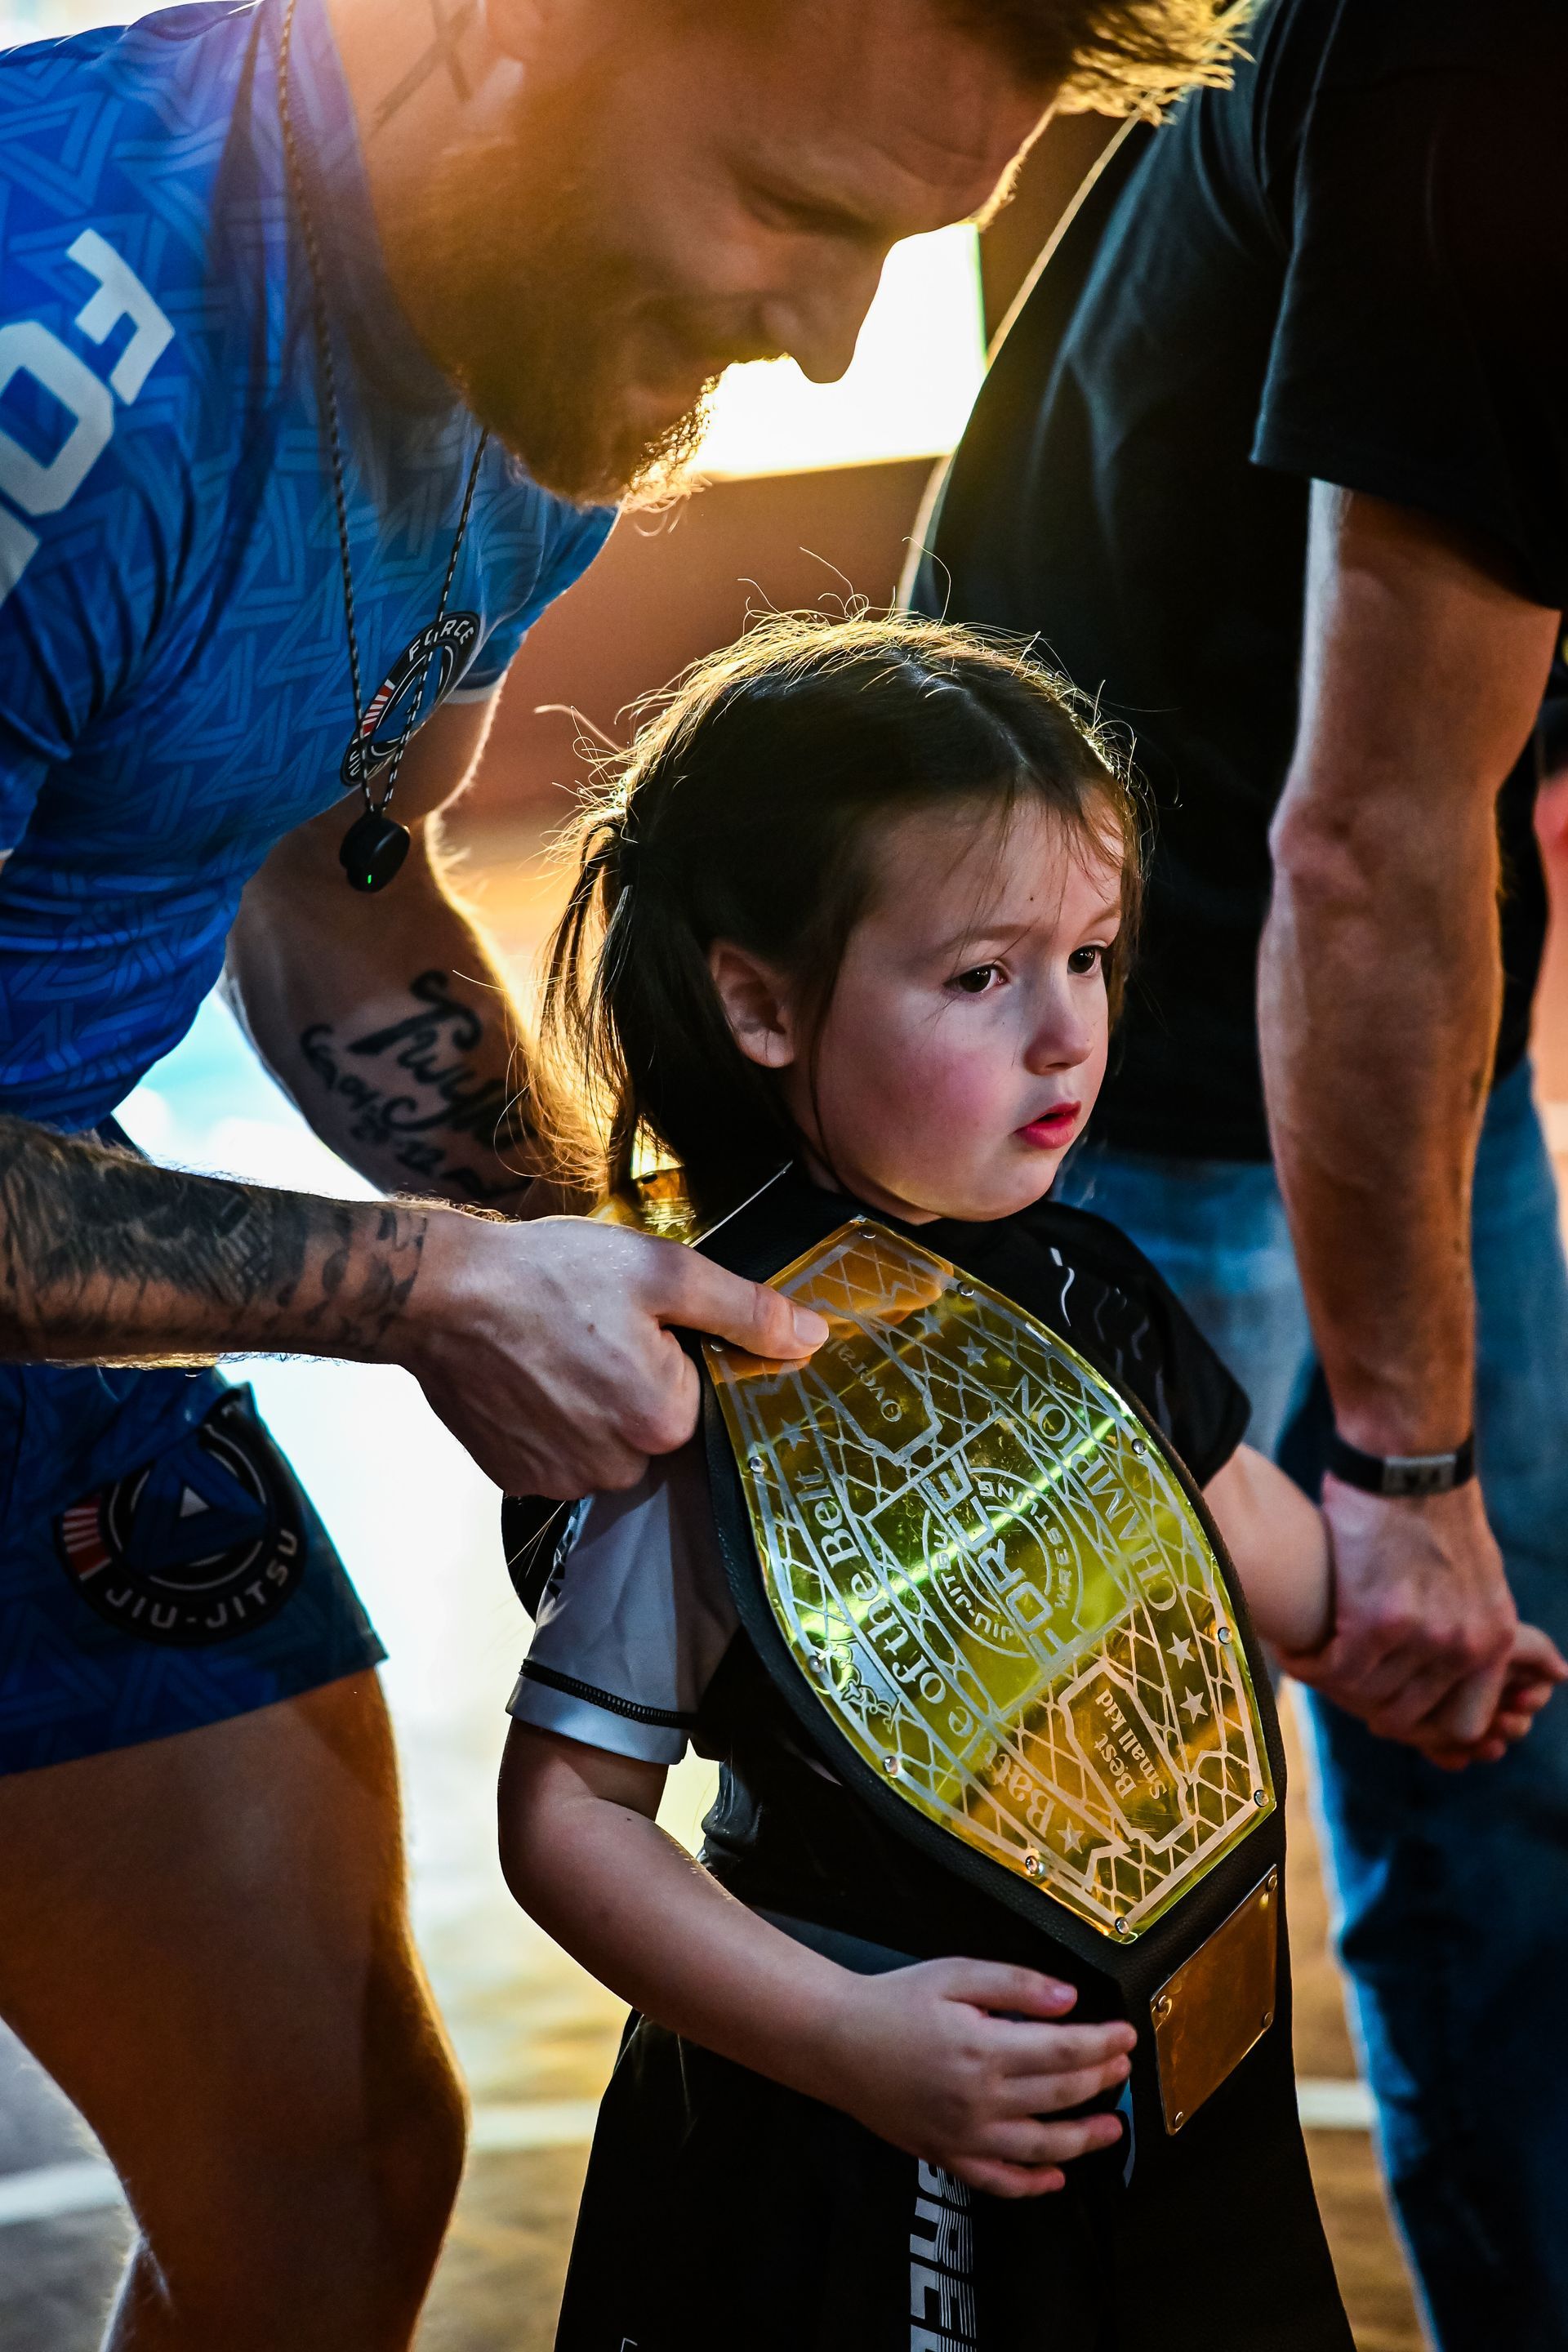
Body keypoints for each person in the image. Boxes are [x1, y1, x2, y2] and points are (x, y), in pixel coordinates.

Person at [0, 0, 1247, 2341]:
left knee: (338, 2175)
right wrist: (422, 1291)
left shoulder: (532, 342)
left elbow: (334, 861)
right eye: (793, 210)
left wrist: (612, 1269)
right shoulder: (61, 320)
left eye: (897, 245)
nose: (825, 330)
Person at [495, 615, 1560, 2350]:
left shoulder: (1093, 1291)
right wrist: (848, 2042)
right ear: (758, 1001)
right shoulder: (707, 1385)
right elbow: (564, 1818)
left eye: (1090, 955)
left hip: (1189, 2117)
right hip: (869, 2149)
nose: (1067, 1033)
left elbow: (1265, 1568)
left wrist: (1409, 1651)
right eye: (984, 978)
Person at [905, 2, 1568, 2341]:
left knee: (1500, 1763)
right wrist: (1403, 1460)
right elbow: (1367, 843)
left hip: (1408, 1000)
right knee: (1071, 1886)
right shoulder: (1504, 59)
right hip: (1090, 1026)